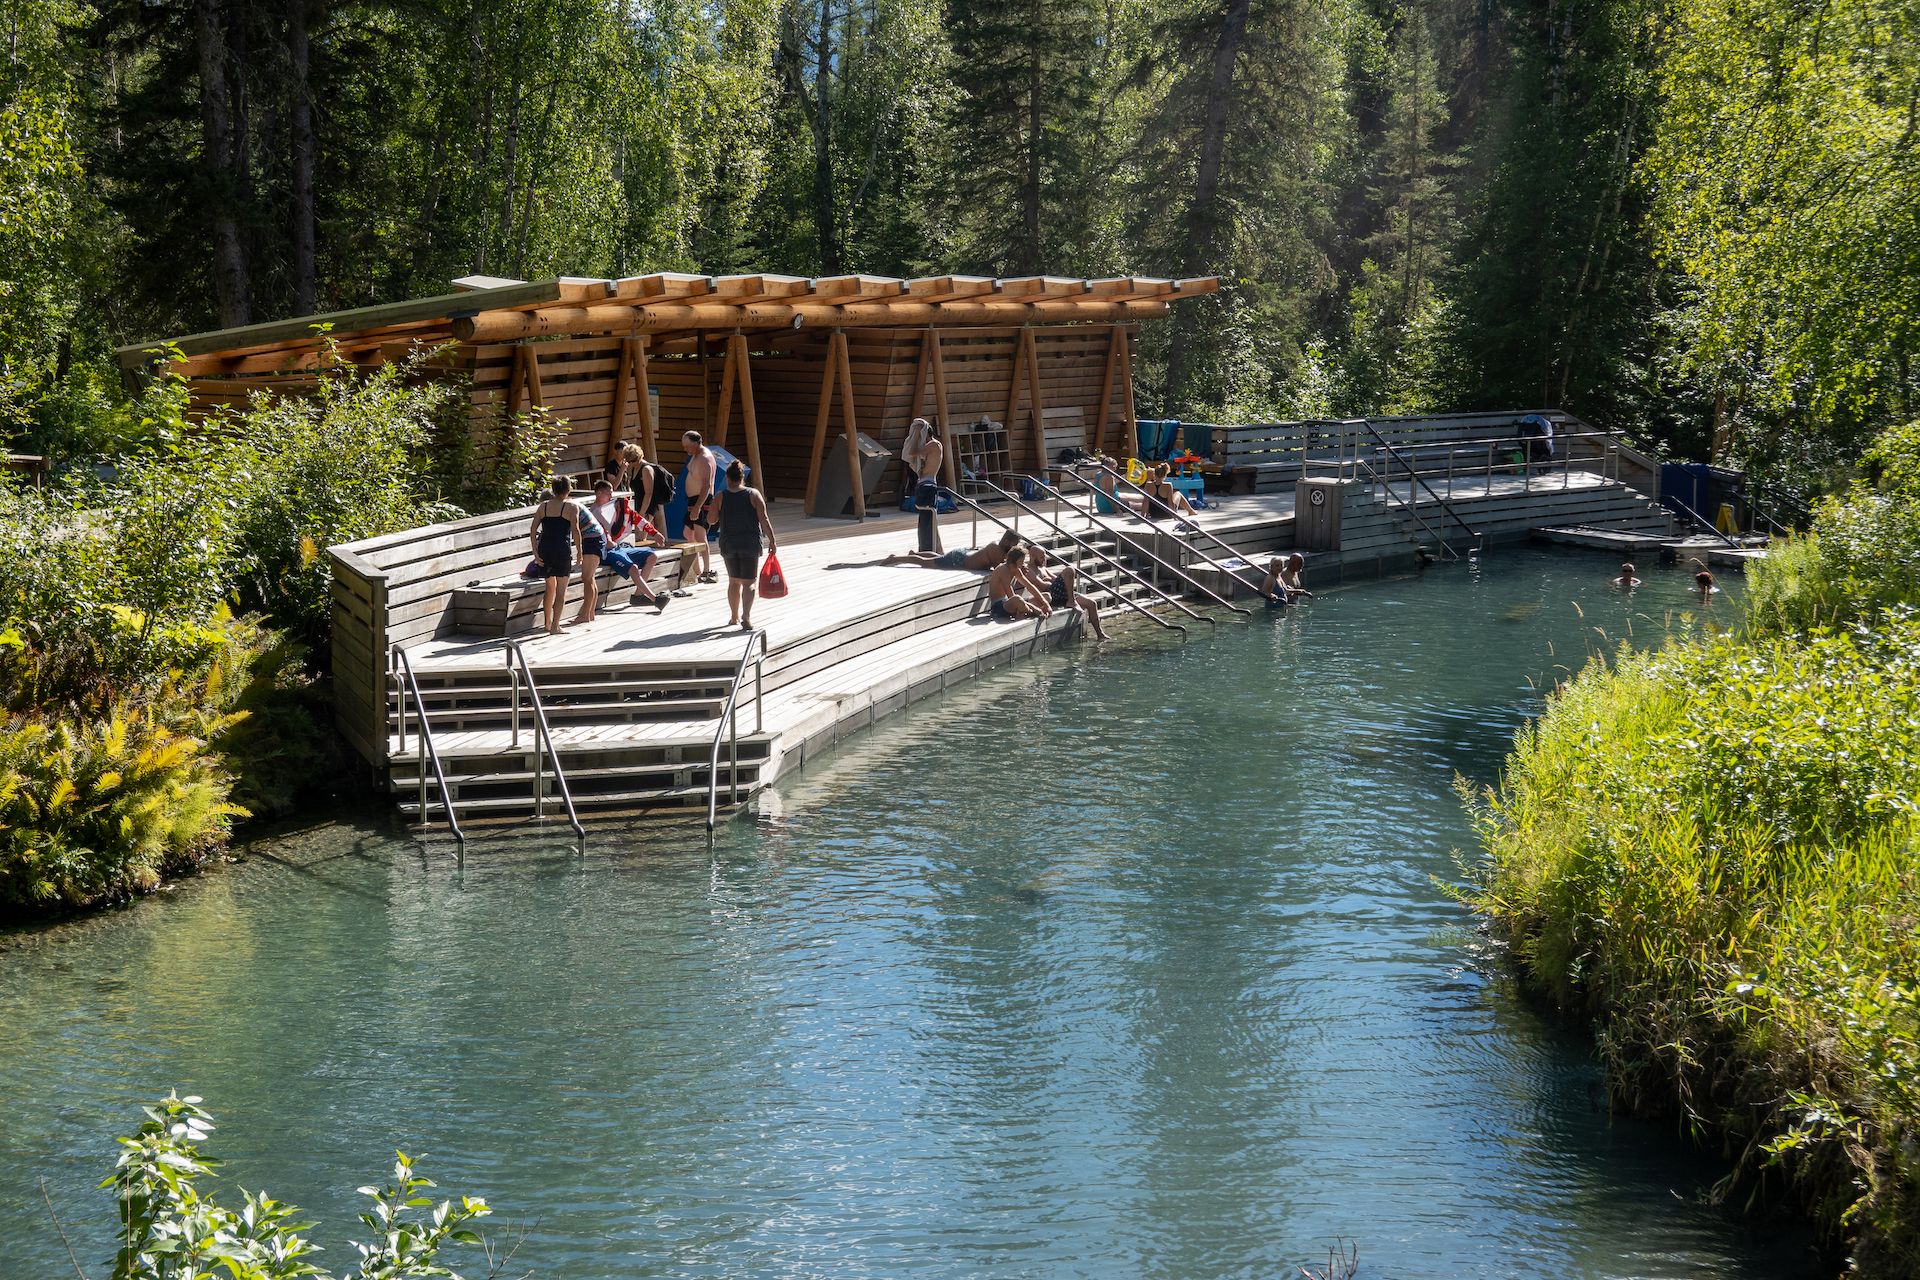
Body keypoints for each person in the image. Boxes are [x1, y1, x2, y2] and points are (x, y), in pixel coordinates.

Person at [588, 480, 671, 613]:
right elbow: (606, 541)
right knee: (632, 568)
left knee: (652, 556)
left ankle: (638, 596)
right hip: (605, 551)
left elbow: (635, 517)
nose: (611, 496)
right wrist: (613, 543)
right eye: (608, 494)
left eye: (611, 493)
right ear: (599, 493)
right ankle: (655, 599)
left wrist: (654, 533)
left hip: (619, 547)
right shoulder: (593, 514)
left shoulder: (614, 506)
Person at [716, 459, 777, 630]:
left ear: (727, 478)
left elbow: (711, 519)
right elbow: (764, 520)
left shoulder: (720, 496)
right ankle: (746, 616)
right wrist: (772, 540)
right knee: (749, 582)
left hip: (729, 544)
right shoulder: (753, 494)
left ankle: (734, 617)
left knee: (733, 581)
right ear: (742, 477)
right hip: (749, 543)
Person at [528, 477, 582, 636]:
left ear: (553, 489)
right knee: (561, 591)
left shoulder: (543, 507)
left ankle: (547, 623)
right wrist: (580, 552)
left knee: (549, 587)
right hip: (561, 550)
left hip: (545, 549)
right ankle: (555, 626)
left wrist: (535, 552)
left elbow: (532, 530)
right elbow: (576, 531)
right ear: (568, 489)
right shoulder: (571, 507)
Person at [1027, 543, 1108, 639]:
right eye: (1041, 557)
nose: (1044, 560)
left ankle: (1100, 634)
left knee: (1091, 603)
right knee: (1069, 570)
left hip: (1059, 593)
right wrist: (1049, 581)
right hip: (1050, 595)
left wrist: (1049, 580)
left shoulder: (1043, 568)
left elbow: (1055, 579)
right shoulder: (1029, 570)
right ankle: (1071, 601)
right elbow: (1042, 585)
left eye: (1044, 557)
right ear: (1032, 556)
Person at [873, 528, 1021, 570]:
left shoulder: (999, 547)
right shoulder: (996, 549)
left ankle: (914, 553)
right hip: (959, 560)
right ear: (1006, 541)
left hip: (965, 554)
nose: (1014, 548)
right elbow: (1000, 568)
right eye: (1013, 545)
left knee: (938, 556)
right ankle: (895, 558)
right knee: (926, 563)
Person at [681, 430, 718, 584]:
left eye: (688, 446)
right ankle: (697, 570)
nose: (686, 449)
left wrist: (697, 507)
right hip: (693, 500)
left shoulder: (705, 458)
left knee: (700, 536)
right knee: (688, 533)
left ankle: (707, 571)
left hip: (702, 500)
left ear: (697, 443)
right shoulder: (696, 455)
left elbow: (706, 485)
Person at [572, 493, 614, 624]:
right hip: (595, 537)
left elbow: (575, 531)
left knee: (587, 577)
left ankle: (585, 614)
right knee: (590, 577)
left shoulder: (568, 507)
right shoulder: (570, 504)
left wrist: (579, 553)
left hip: (593, 538)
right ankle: (590, 613)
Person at [985, 545, 1051, 621]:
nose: (1023, 564)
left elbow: (1029, 586)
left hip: (1013, 601)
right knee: (1018, 599)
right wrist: (1034, 608)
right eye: (1021, 561)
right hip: (999, 606)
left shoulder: (1016, 569)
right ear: (1014, 561)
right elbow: (1011, 596)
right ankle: (1029, 612)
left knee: (1047, 596)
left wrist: (1045, 603)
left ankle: (1022, 611)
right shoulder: (1003, 570)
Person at [913, 421, 945, 554]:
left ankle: (927, 549)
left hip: (927, 484)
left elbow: (912, 451)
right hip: (928, 483)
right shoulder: (937, 445)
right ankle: (932, 548)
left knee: (927, 519)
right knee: (927, 518)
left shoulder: (933, 444)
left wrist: (914, 436)